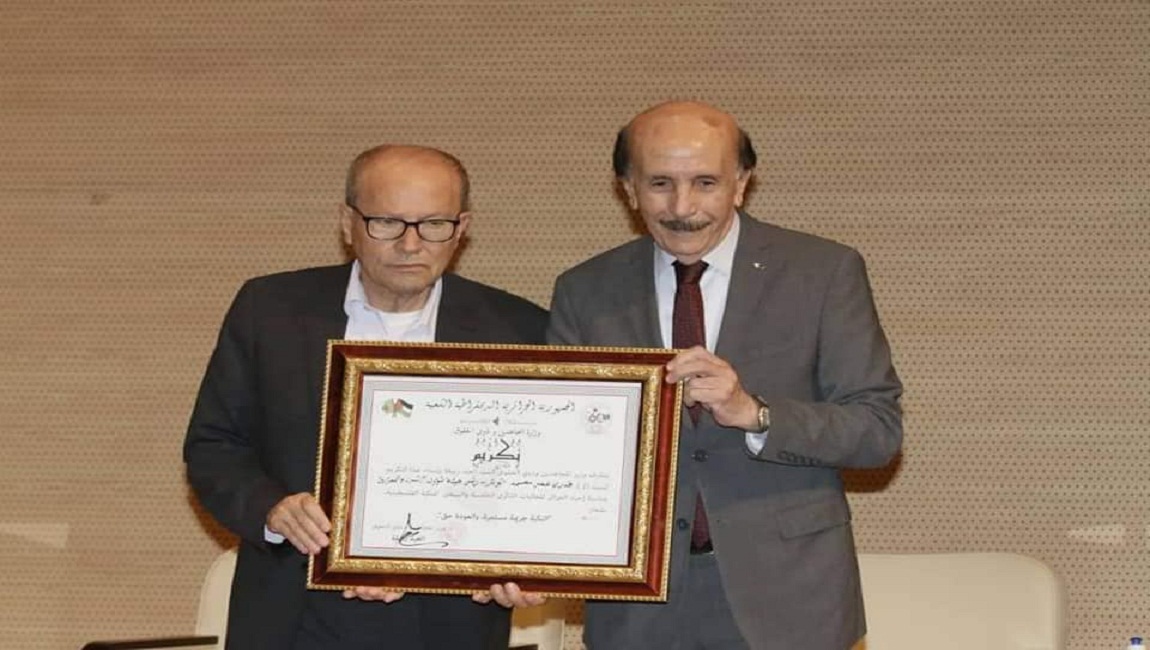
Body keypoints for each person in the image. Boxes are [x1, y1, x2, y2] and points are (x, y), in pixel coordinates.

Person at [547, 101, 903, 649]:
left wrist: (755, 413)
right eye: (660, 183)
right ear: (627, 189)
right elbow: (560, 452)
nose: (682, 207)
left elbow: (877, 431)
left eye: (705, 183)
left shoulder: (823, 273)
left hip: (789, 600)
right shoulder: (584, 290)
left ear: (741, 183)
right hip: (637, 610)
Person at [183, 144, 548, 650]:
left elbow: (536, 474)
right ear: (347, 222)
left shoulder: (519, 329)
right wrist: (272, 509)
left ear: (461, 228)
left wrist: (520, 558)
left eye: (433, 224)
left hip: (449, 620)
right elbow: (213, 447)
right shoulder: (270, 310)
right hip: (295, 612)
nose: (410, 244)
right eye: (387, 222)